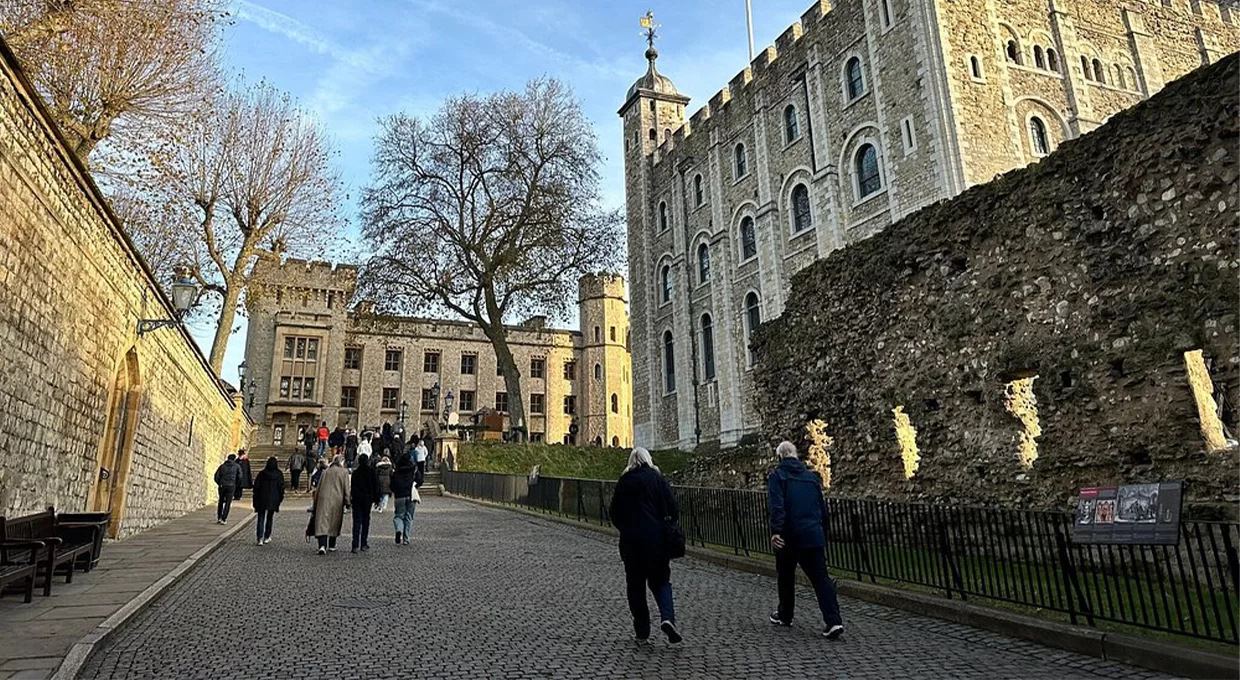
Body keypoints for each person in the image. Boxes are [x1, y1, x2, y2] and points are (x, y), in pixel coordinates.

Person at [767, 441, 844, 640]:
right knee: (821, 579)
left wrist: (776, 531)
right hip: (812, 534)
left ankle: (785, 614)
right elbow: (822, 508)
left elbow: (777, 506)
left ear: (780, 457)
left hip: (789, 535)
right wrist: (822, 531)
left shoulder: (777, 476)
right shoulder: (811, 478)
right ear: (796, 456)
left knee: (785, 576)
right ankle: (834, 620)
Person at [608, 448, 682, 646]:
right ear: (648, 460)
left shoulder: (624, 481)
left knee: (636, 587)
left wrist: (626, 528)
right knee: (661, 582)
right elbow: (673, 509)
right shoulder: (657, 479)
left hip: (632, 544)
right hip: (657, 541)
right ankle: (667, 618)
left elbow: (614, 512)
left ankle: (642, 632)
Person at [311, 455, 349, 555]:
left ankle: (322, 545)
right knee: (334, 522)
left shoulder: (325, 471)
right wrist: (347, 501)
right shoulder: (344, 472)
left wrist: (315, 501)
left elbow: (318, 487)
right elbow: (346, 488)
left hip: (323, 498)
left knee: (322, 522)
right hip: (337, 499)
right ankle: (332, 544)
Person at [349, 454, 380, 554]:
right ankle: (363, 543)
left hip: (357, 499)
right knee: (365, 521)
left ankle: (355, 544)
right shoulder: (371, 472)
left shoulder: (356, 473)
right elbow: (376, 486)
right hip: (367, 499)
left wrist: (351, 498)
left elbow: (353, 487)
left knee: (356, 522)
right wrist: (376, 499)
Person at [252, 457, 286, 545]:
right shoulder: (279, 474)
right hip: (273, 499)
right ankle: (267, 536)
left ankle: (259, 538)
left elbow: (256, 487)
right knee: (270, 518)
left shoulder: (262, 474)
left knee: (261, 518)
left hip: (262, 498)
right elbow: (281, 488)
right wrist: (279, 498)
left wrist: (255, 498)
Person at [391, 454, 420, 545]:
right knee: (409, 517)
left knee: (399, 516)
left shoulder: (397, 472)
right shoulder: (413, 470)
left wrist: (395, 491)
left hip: (399, 495)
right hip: (411, 495)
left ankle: (399, 530)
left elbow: (392, 484)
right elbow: (420, 480)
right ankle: (406, 538)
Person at [213, 454, 243, 524]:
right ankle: (224, 518)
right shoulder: (237, 466)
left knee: (220, 501)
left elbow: (216, 476)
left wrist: (219, 483)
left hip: (222, 485)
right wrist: (236, 484)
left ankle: (219, 517)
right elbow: (240, 477)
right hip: (231, 485)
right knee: (228, 503)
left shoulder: (222, 466)